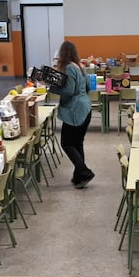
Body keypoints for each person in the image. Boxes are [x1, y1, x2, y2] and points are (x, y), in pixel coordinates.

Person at [42, 41, 94, 189]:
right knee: (77, 143)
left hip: (75, 110)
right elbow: (88, 87)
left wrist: (51, 88)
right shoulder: (80, 66)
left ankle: (84, 172)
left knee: (66, 143)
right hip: (85, 107)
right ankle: (79, 177)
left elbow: (69, 91)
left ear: (63, 54)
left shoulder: (70, 68)